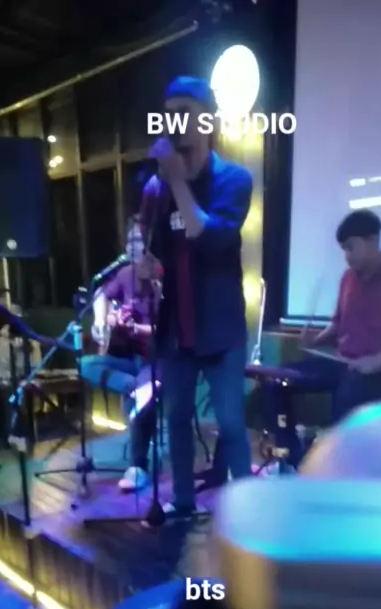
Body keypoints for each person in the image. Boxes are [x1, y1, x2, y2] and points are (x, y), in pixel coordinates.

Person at [136, 76, 253, 521]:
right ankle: (183, 503)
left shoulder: (234, 179)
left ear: (208, 121)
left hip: (221, 328)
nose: (175, 122)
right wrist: (147, 266)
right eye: (168, 114)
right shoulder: (157, 189)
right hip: (176, 329)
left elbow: (209, 236)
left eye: (185, 112)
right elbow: (155, 250)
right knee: (177, 420)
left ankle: (249, 513)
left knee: (231, 423)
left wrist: (178, 182)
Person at [299, 209, 381, 422]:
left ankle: (338, 443)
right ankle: (287, 441)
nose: (347, 256)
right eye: (344, 250)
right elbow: (338, 323)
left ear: (372, 240)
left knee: (350, 392)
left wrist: (379, 359)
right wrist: (315, 340)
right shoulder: (347, 278)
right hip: (343, 363)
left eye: (351, 248)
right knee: (278, 380)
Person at [81, 221, 161, 491]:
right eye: (130, 240)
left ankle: (138, 467)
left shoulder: (164, 277)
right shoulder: (126, 273)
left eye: (138, 240)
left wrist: (135, 327)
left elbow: (169, 332)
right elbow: (101, 294)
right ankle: (135, 388)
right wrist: (103, 320)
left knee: (145, 390)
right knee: (86, 364)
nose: (132, 246)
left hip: (159, 359)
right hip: (130, 358)